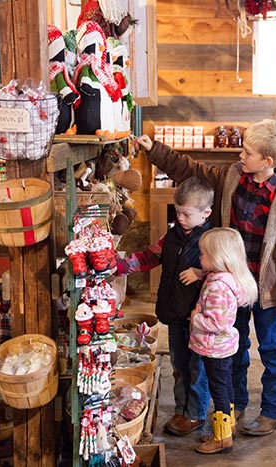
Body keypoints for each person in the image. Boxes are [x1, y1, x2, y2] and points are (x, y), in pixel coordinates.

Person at [136, 118, 276, 436]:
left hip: (266, 289)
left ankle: (273, 411)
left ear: (268, 161)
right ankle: (236, 402)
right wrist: (154, 150)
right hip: (231, 284)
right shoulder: (231, 177)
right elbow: (191, 170)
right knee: (234, 346)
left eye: (247, 152)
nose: (240, 156)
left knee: (271, 349)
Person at [116, 176, 214, 436]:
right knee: (179, 366)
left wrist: (200, 272)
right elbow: (149, 257)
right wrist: (117, 266)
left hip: (198, 319)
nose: (180, 218)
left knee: (197, 368)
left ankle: (195, 414)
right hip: (174, 313)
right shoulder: (173, 234)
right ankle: (182, 409)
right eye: (177, 212)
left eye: (186, 214)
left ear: (206, 213)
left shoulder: (212, 239)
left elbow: (226, 268)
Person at [190, 228, 258, 454]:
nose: (200, 258)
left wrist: (196, 317)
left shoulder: (219, 286)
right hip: (223, 348)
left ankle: (222, 439)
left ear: (220, 257)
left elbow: (217, 323)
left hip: (214, 347)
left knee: (218, 391)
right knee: (225, 387)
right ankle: (230, 427)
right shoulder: (224, 278)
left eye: (204, 254)